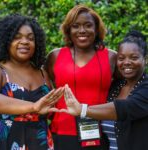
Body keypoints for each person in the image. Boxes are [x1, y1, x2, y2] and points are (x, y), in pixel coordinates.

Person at [44, 4, 117, 150]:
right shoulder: (55, 56)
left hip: (99, 134)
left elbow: (126, 87)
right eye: (75, 26)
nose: (82, 30)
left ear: (96, 29)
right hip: (61, 133)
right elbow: (46, 87)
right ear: (68, 30)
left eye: (88, 25)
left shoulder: (111, 57)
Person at [62, 30, 148, 150]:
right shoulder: (115, 87)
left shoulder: (145, 87)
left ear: (146, 59)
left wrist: (82, 109)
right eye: (121, 58)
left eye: (134, 58)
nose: (126, 62)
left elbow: (126, 108)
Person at [0, 14, 64, 150]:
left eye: (30, 38)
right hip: (8, 141)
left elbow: (51, 110)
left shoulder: (43, 73)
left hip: (41, 142)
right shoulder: (0, 70)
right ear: (6, 40)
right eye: (17, 37)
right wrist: (34, 107)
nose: (25, 42)